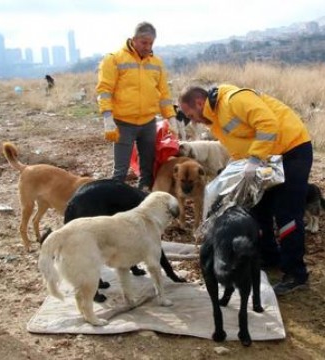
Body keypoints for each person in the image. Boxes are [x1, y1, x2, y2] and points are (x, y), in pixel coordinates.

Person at [179, 84, 312, 296]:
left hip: (291, 150)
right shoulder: (215, 120)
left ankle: (296, 274)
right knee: (258, 208)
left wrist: (255, 157)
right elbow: (241, 143)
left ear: (198, 102)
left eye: (190, 114)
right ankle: (270, 257)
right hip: (267, 159)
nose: (192, 120)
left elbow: (268, 124)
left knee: (286, 214)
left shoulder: (233, 100)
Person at [96, 21, 176, 190]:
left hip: (148, 122)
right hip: (123, 123)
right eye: (144, 42)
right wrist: (107, 117)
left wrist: (171, 117)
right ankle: (116, 205)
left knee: (148, 168)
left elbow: (164, 94)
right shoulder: (114, 59)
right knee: (121, 170)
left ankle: (143, 200)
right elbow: (105, 90)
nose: (148, 47)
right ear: (134, 39)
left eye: (151, 43)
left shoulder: (157, 63)